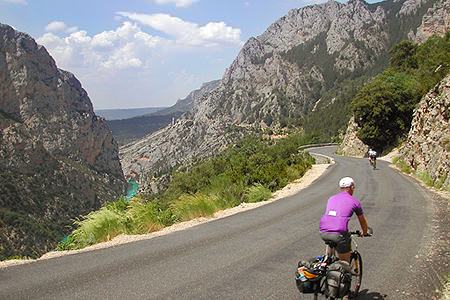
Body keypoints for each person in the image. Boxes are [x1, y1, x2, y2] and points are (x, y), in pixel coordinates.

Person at [319, 177, 369, 263]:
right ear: (352, 187)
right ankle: (345, 272)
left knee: (330, 244)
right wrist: (364, 232)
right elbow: (362, 220)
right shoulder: (354, 201)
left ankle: (325, 262)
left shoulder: (331, 198)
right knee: (345, 264)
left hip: (323, 232)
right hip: (339, 234)